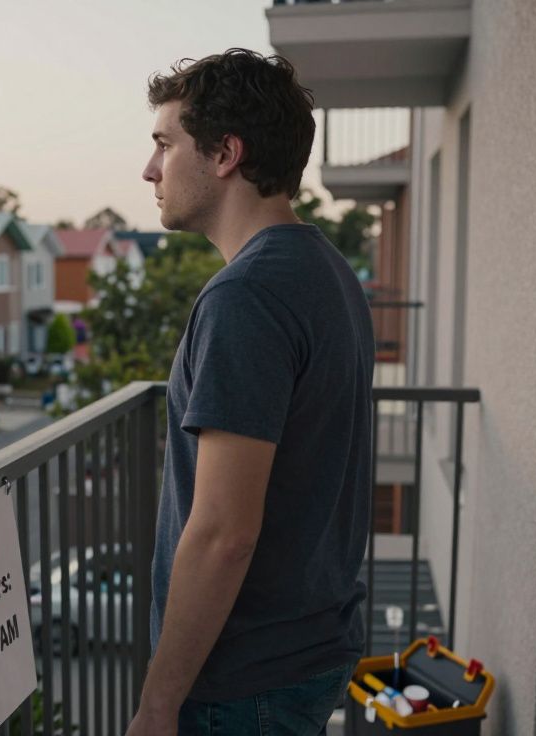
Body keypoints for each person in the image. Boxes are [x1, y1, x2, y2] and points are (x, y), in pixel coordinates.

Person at [127, 49, 374, 736]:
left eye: (164, 144)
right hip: (305, 653)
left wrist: (157, 704)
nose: (150, 169)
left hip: (245, 685)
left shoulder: (248, 296)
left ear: (225, 153)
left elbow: (224, 533)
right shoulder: (325, 268)